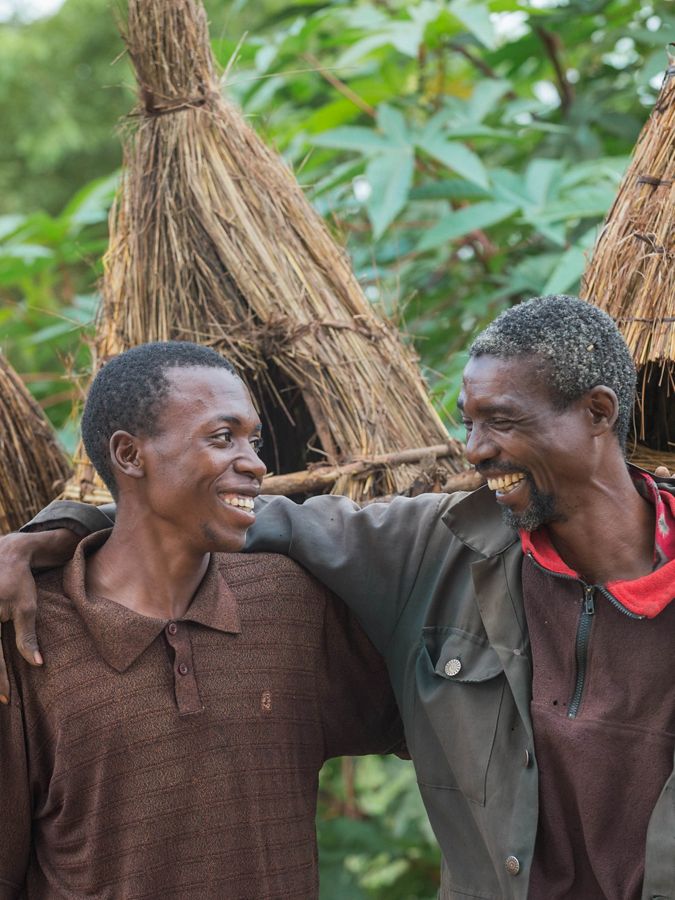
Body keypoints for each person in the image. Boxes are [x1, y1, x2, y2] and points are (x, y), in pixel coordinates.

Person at [2, 295, 674, 899]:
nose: (472, 451)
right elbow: (214, 516)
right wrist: (55, 533)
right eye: (467, 423)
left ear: (596, 413)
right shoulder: (434, 551)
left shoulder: (322, 604)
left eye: (500, 421)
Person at [0, 341, 402, 899]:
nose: (257, 464)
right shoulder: (25, 638)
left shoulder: (291, 603)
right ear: (129, 455)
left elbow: (446, 714)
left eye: (253, 440)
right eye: (222, 437)